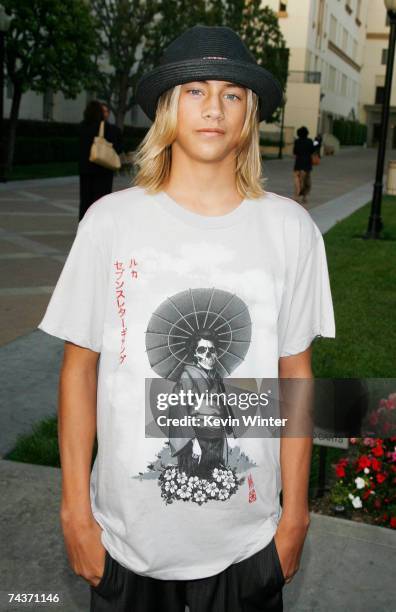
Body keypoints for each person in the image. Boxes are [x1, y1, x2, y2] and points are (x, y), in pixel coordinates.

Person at [37, 25, 336, 612]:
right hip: (125, 542)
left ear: (249, 114)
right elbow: (79, 371)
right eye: (195, 90)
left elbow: (295, 375)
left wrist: (295, 516)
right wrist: (75, 511)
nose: (214, 109)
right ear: (167, 108)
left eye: (231, 94)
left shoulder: (291, 230)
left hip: (249, 545)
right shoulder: (109, 223)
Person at [78, 100, 123, 221]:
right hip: (104, 170)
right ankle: (99, 226)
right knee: (101, 200)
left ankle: (84, 225)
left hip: (85, 170)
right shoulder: (111, 129)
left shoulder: (82, 127)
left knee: (85, 200)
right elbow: (118, 148)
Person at [293, 126, 315, 206]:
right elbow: (312, 151)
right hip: (307, 164)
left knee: (297, 180)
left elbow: (295, 152)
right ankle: (304, 197)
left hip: (298, 163)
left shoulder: (297, 141)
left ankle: (296, 196)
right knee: (306, 181)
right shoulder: (310, 141)